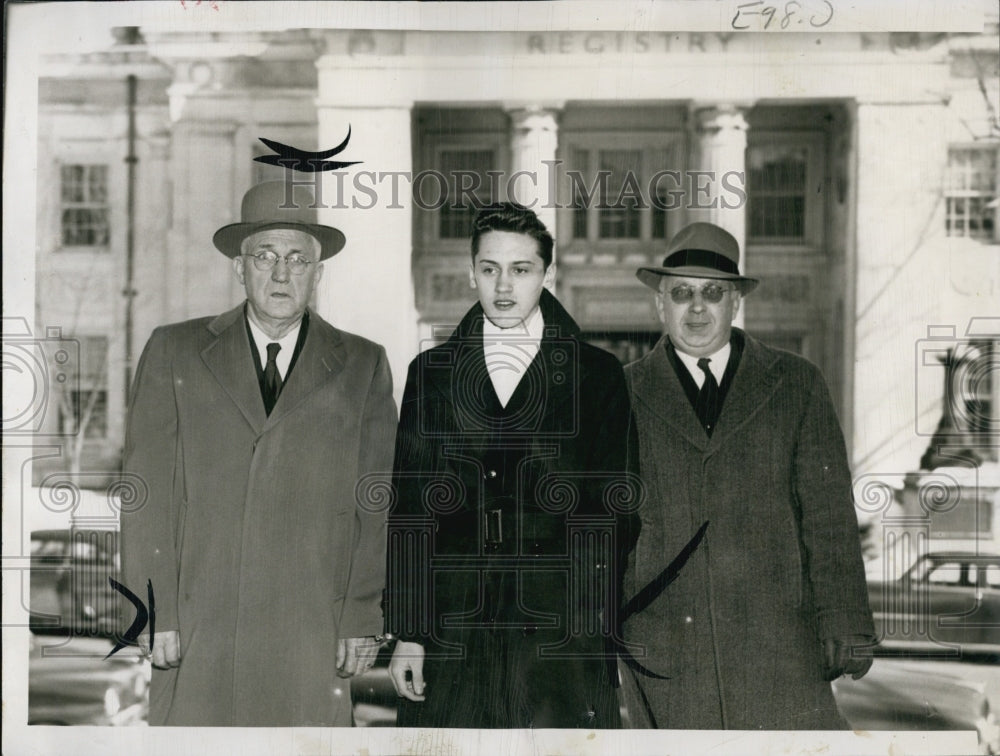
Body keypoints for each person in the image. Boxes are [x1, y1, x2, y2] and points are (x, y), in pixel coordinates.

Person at [119, 180, 397, 726]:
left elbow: (377, 503)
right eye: (265, 256)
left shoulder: (363, 365)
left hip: (311, 636)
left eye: (298, 259)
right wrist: (154, 611)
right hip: (199, 631)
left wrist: (362, 615)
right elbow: (145, 494)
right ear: (238, 267)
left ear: (318, 274)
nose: (281, 272)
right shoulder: (173, 350)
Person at [385, 202, 639, 728]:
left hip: (560, 635)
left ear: (548, 274)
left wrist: (593, 633)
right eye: (490, 268)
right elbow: (410, 509)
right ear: (470, 271)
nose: (504, 286)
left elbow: (616, 514)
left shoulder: (597, 376)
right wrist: (410, 632)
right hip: (455, 633)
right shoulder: (432, 374)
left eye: (521, 270)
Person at [621, 222, 874, 729]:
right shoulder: (623, 394)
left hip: (779, 644)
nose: (697, 308)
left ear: (735, 302)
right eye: (682, 293)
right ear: (660, 305)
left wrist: (844, 616)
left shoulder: (796, 383)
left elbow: (828, 514)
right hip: (666, 651)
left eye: (712, 293)